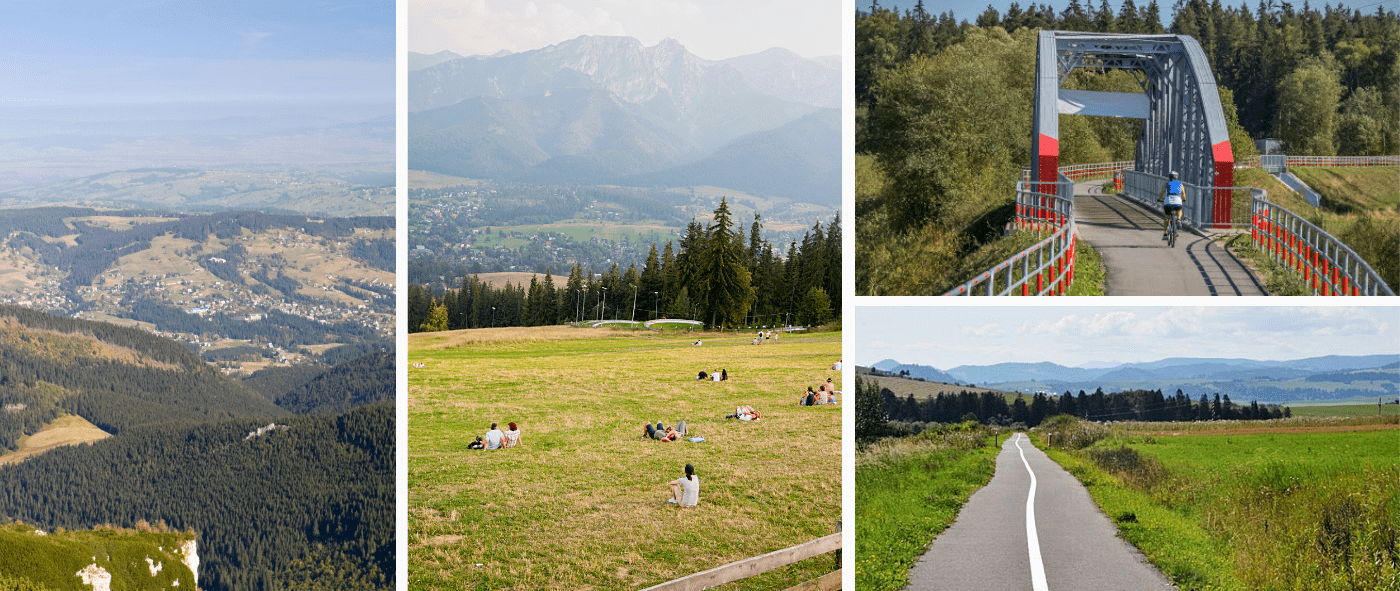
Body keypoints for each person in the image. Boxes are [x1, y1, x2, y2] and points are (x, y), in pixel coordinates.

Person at [1157, 171, 1184, 240]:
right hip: (1177, 201)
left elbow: (1162, 192)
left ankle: (1165, 234)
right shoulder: (1180, 184)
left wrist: (1160, 199)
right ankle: (1178, 219)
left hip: (1168, 202)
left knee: (1166, 218)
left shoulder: (1166, 184)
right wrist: (1184, 199)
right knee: (1179, 210)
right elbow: (1183, 194)